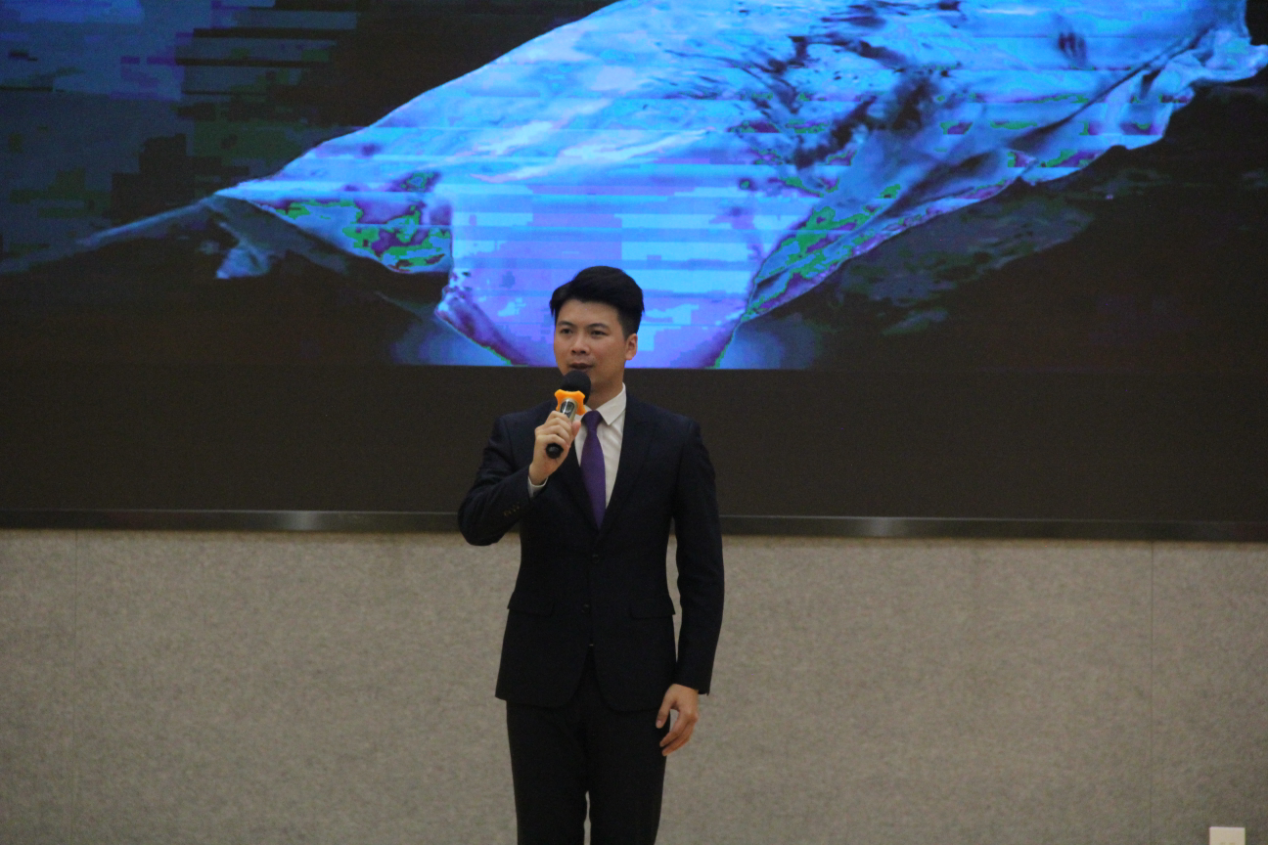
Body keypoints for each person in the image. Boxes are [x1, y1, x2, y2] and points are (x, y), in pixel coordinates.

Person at [458, 265, 725, 845]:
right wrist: (534, 475)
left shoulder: (674, 438)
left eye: (596, 333)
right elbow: (475, 525)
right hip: (540, 677)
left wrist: (691, 678)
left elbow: (703, 570)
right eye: (566, 331)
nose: (578, 345)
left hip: (638, 682)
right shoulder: (520, 432)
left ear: (629, 345)